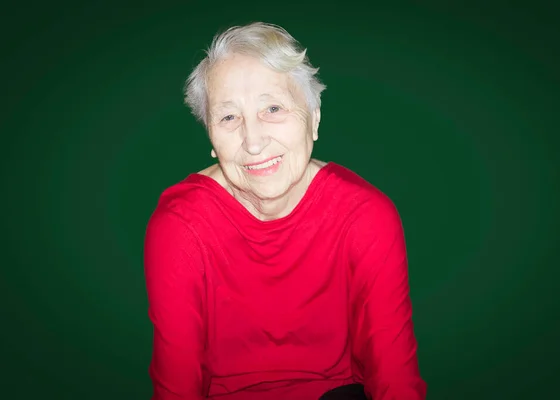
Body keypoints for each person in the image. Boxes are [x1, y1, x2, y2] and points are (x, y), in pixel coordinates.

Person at [143, 22, 427, 400]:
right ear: (211, 137)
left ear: (314, 117)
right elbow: (176, 387)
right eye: (229, 118)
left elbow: (395, 378)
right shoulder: (180, 226)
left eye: (273, 108)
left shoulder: (365, 215)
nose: (254, 141)